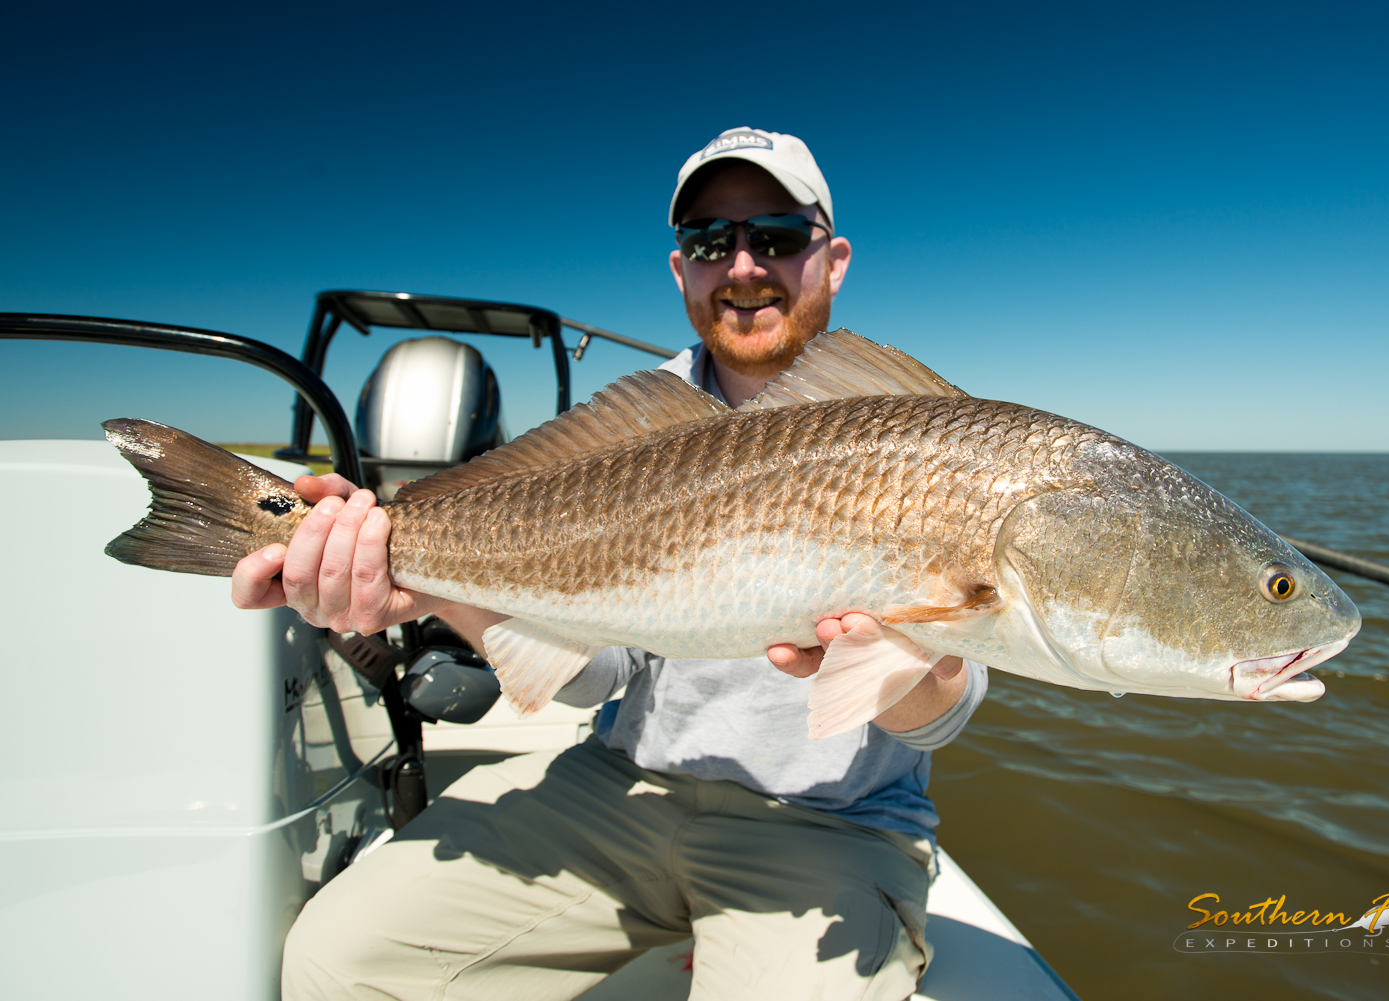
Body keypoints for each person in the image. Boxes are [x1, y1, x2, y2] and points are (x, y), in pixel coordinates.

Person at [233, 127, 989, 1000]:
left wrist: (903, 679)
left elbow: (944, 713)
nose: (743, 264)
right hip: (621, 790)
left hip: (829, 824)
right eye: (712, 241)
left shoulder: (921, 426)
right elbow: (597, 674)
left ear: (835, 257)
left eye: (776, 234)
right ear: (682, 270)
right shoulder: (638, 422)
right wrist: (418, 586)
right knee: (338, 959)